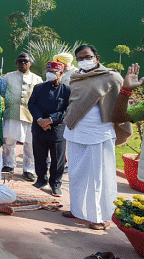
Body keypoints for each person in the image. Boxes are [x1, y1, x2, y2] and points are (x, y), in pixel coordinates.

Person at [62, 45, 125, 230]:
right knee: (75, 174)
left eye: (87, 57)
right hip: (75, 129)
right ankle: (77, 210)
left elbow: (120, 104)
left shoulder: (112, 77)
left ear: (97, 57)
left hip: (99, 131)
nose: (84, 60)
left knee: (98, 177)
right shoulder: (75, 77)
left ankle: (101, 217)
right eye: (80, 58)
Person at [28, 61, 70, 197]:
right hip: (39, 127)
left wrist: (51, 119)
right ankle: (41, 180)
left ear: (61, 73)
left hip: (57, 130)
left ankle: (56, 184)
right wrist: (40, 119)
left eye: (53, 72)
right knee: (39, 156)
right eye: (48, 71)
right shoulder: (39, 87)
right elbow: (32, 104)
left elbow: (67, 110)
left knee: (57, 159)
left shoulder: (67, 90)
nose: (49, 74)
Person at [0, 52, 43, 180]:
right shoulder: (8, 76)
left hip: (30, 115)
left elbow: (40, 98)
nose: (23, 63)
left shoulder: (37, 79)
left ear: (30, 63)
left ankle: (28, 169)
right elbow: (3, 92)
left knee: (30, 143)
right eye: (20, 61)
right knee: (9, 141)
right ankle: (8, 164)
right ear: (16, 63)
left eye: (26, 61)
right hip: (12, 113)